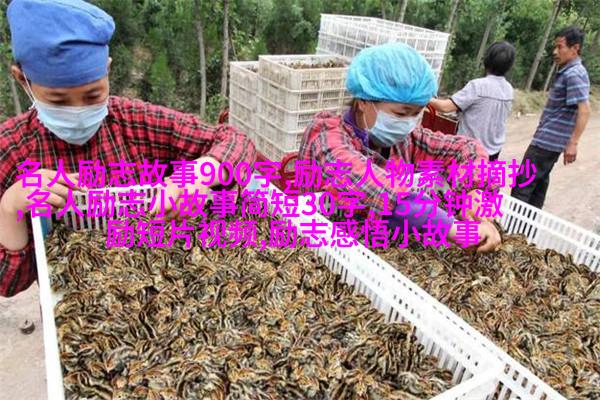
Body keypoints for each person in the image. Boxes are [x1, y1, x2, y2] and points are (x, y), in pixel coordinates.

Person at [0, 0, 256, 297]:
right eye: (58, 100)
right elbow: (9, 284)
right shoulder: (11, 148)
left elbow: (237, 143)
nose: (78, 111)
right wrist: (9, 207)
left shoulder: (136, 122)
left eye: (93, 95)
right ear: (23, 79)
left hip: (158, 279)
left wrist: (199, 173)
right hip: (71, 296)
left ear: (107, 71)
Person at [298, 43, 502, 253]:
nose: (408, 122)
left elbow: (467, 148)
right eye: (401, 114)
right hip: (322, 246)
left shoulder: (405, 140)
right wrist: (453, 229)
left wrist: (474, 191)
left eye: (416, 113)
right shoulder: (326, 136)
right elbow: (367, 181)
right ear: (364, 102)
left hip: (378, 244)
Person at [511, 26, 591, 208]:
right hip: (549, 141)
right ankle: (528, 225)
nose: (555, 52)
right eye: (555, 47)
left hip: (546, 142)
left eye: (560, 47)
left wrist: (573, 142)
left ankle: (512, 225)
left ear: (575, 48)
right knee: (537, 187)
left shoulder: (574, 74)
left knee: (523, 186)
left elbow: (584, 110)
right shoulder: (569, 71)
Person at [429, 41, 516, 161]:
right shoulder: (509, 89)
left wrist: (424, 97)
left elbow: (445, 107)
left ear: (487, 59)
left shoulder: (478, 86)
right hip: (493, 152)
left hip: (471, 152)